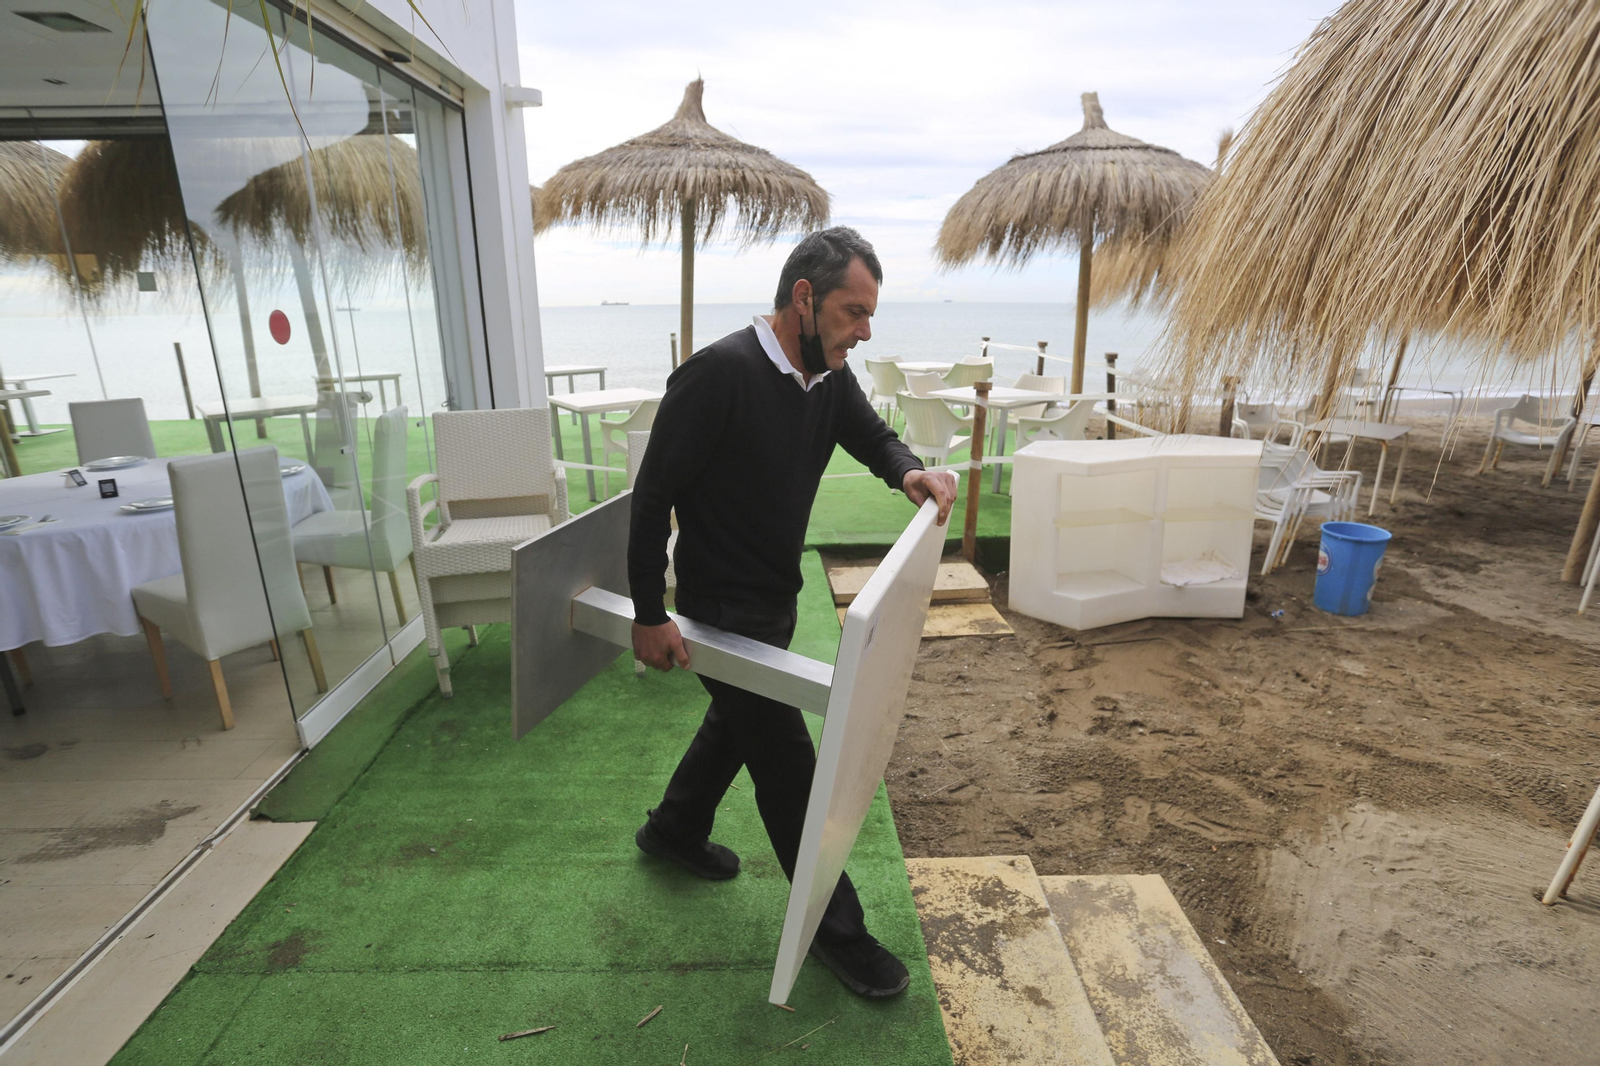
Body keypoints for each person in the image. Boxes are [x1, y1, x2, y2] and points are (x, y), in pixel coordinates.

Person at [627, 226, 958, 998]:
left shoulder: (827, 378)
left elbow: (873, 438)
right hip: (715, 606)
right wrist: (650, 613)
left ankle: (673, 829)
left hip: (775, 598)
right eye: (852, 311)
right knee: (787, 765)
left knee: (735, 726)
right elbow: (651, 501)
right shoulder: (717, 374)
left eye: (870, 314)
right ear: (804, 300)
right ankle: (838, 933)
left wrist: (910, 474)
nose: (865, 330)